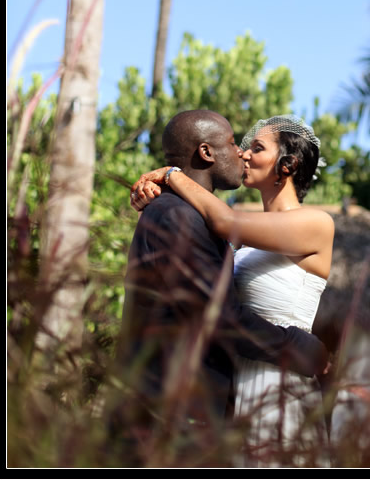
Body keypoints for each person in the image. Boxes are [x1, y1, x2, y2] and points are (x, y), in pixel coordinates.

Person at [113, 110, 328, 465]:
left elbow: (224, 220)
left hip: (280, 375)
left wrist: (170, 175)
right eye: (236, 145)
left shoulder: (315, 223)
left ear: (287, 165)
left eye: (255, 147)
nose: (242, 153)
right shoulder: (235, 238)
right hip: (235, 386)